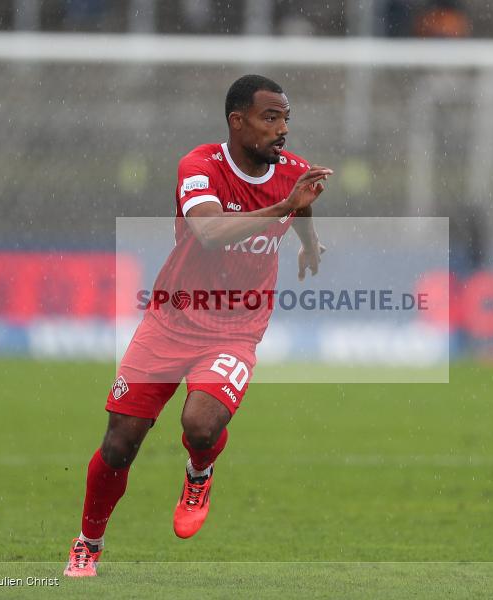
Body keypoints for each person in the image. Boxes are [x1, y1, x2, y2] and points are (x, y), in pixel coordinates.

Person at [64, 74, 333, 577]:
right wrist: (282, 208)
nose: (282, 130)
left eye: (286, 119)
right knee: (120, 443)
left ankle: (199, 470)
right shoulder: (200, 166)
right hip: (171, 319)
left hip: (237, 327)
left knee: (202, 423)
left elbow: (303, 202)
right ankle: (88, 542)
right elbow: (208, 231)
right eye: (270, 117)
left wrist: (309, 242)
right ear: (238, 120)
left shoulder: (292, 172)